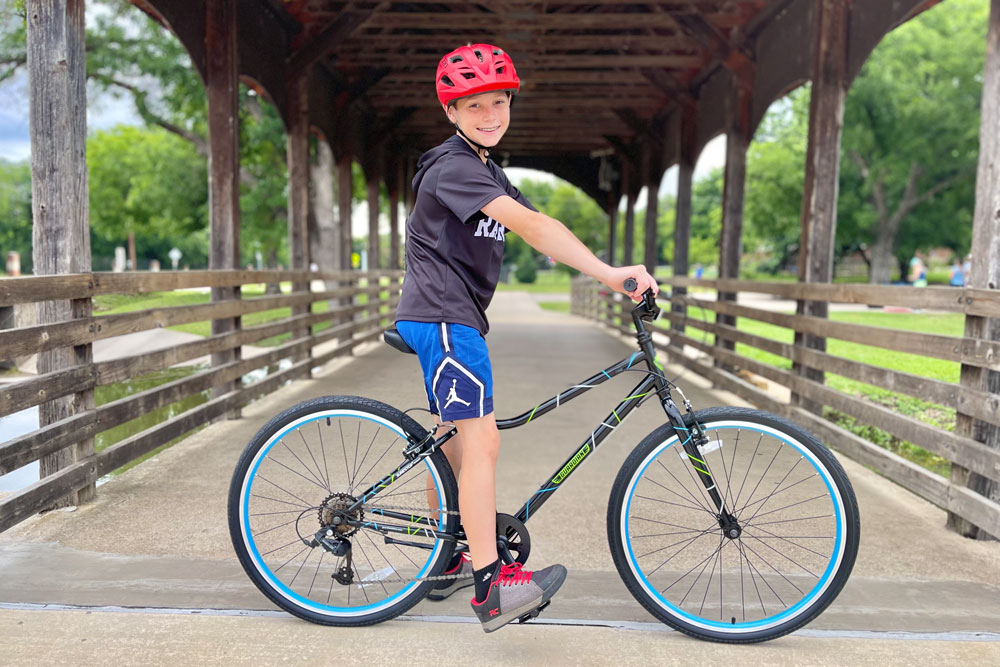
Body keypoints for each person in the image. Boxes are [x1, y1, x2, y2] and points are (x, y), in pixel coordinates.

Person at [393, 44, 657, 632]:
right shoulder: (453, 166)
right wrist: (613, 275)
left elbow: (546, 231)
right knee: (483, 443)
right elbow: (533, 226)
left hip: (450, 316)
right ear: (452, 113)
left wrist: (605, 270)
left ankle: (449, 555)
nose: (490, 114)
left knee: (455, 444)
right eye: (475, 104)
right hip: (445, 316)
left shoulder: (487, 169)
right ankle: (493, 586)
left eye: (499, 101)